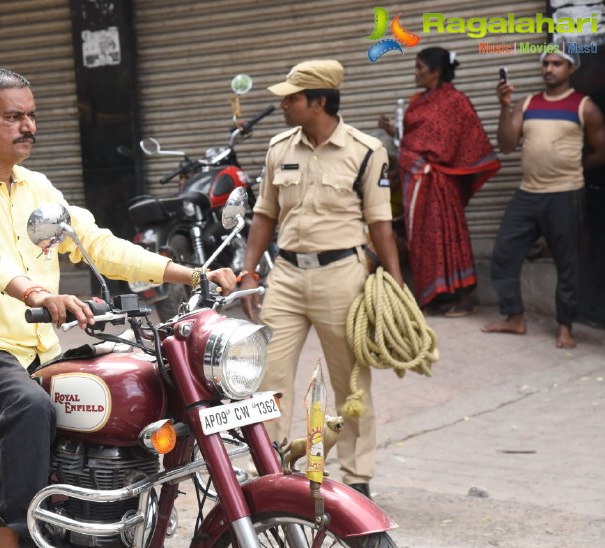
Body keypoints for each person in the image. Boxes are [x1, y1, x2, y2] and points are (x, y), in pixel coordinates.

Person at [0, 67, 235, 548]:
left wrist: (190, 273)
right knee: (30, 409)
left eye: (31, 115)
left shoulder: (38, 190)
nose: (27, 125)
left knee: (136, 386)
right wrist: (36, 291)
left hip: (41, 347)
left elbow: (99, 246)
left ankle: (92, 547)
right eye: (13, 116)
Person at [239, 60, 404, 500]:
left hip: (343, 275)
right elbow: (263, 215)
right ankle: (272, 469)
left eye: (292, 97)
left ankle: (357, 477)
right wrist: (250, 269)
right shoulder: (279, 148)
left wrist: (397, 284)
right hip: (287, 276)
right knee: (268, 375)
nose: (283, 104)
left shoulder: (367, 151)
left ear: (319, 102)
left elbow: (380, 222)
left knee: (351, 380)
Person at [484, 52, 605, 348]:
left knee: (567, 263)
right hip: (528, 194)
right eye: (545, 63)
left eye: (557, 64)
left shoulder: (584, 107)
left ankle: (565, 326)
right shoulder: (527, 103)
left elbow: (601, 151)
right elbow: (507, 144)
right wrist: (504, 108)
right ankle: (514, 317)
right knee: (503, 253)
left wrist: (575, 168)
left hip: (565, 194)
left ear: (571, 67)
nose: (549, 69)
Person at [378, 47, 500, 316]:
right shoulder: (419, 100)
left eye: (420, 67)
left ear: (436, 71)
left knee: (446, 238)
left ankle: (462, 298)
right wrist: (394, 131)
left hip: (439, 184)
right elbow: (416, 138)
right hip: (417, 182)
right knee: (422, 240)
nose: (415, 72)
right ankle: (435, 297)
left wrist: (429, 160)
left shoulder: (455, 101)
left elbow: (450, 140)